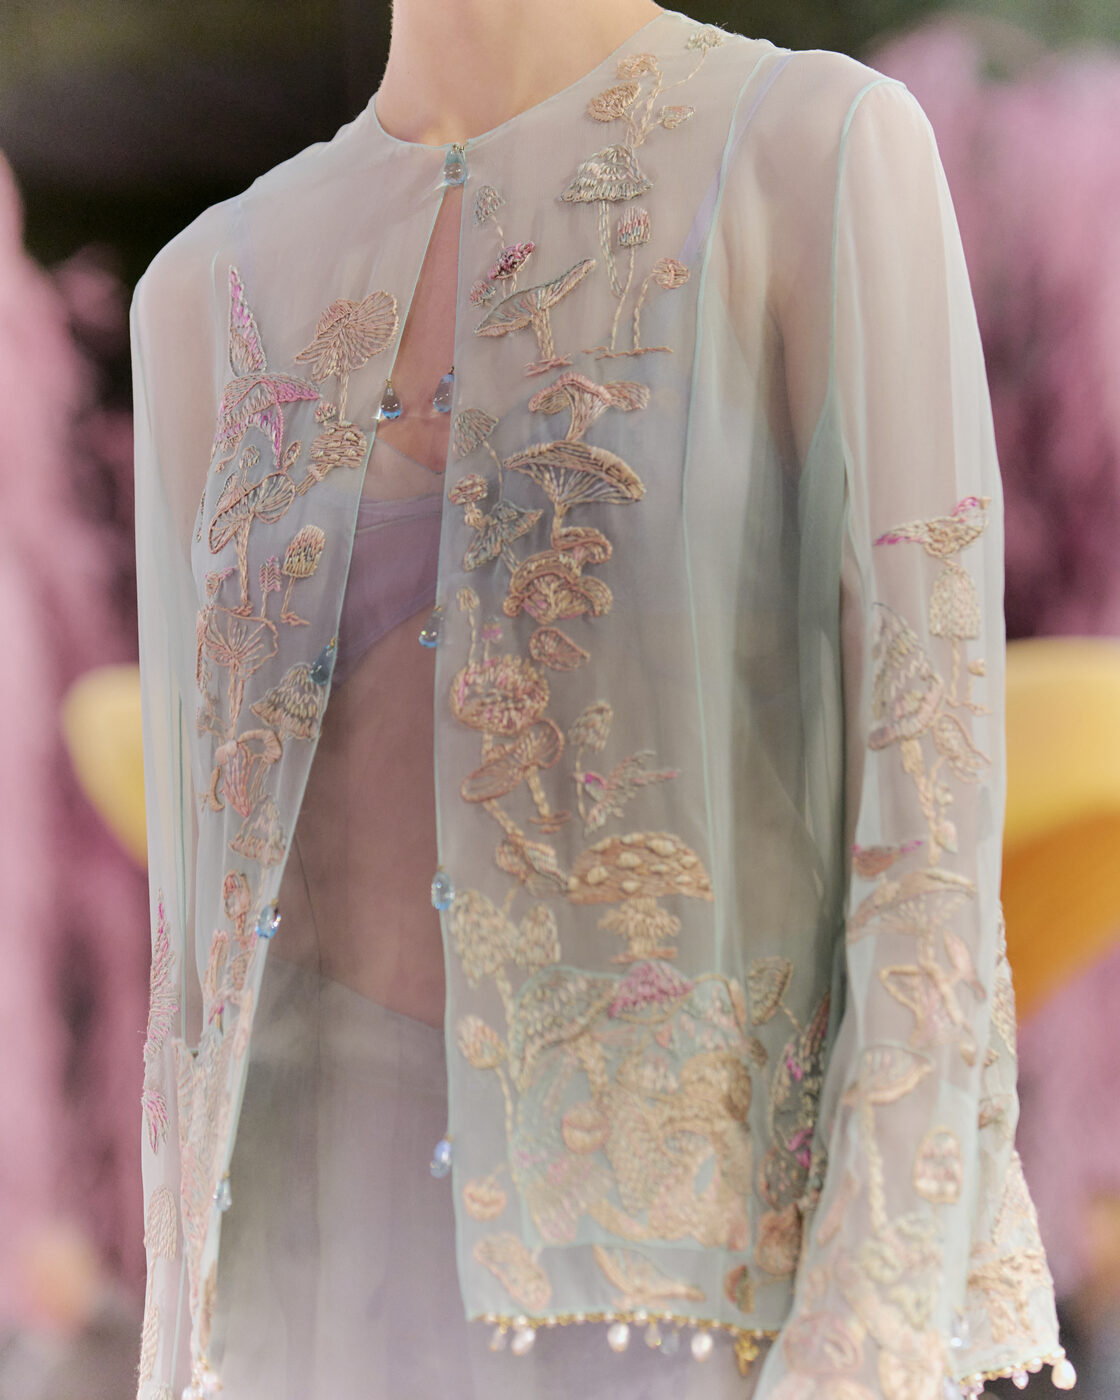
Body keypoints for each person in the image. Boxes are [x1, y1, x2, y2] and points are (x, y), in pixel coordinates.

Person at [131, 3, 1073, 1396]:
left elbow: (929, 840)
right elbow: (197, 987)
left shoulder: (807, 154)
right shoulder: (203, 297)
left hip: (688, 1328)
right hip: (296, 1320)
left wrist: (860, 1359)